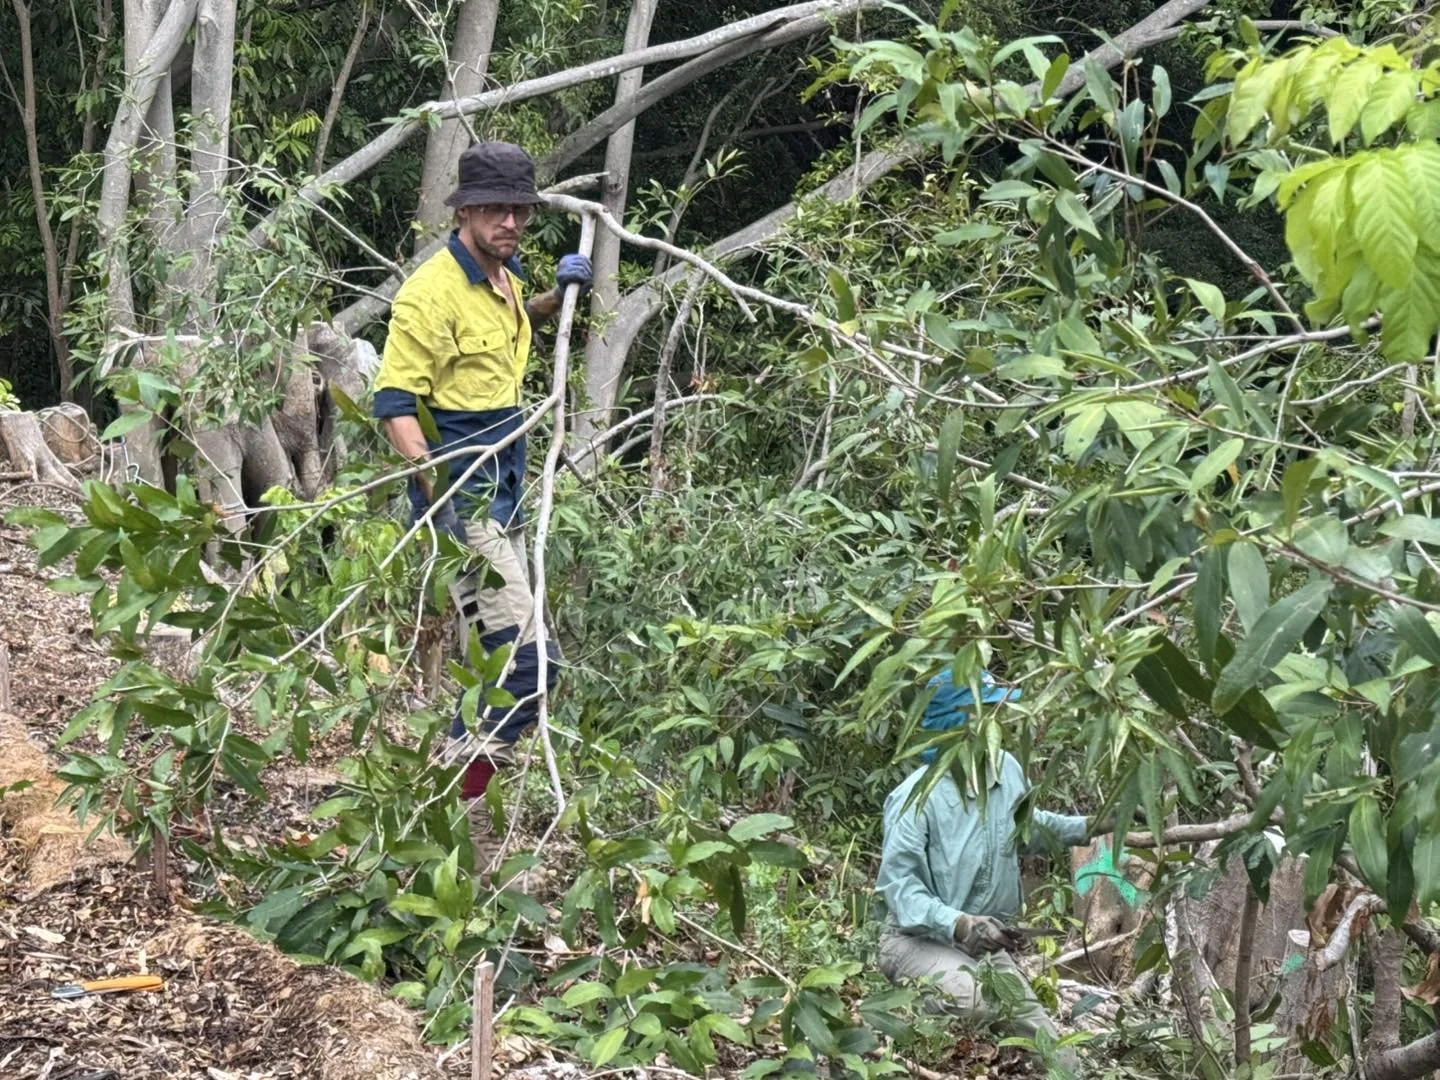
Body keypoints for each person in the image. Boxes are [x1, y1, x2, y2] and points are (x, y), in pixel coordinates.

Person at [370, 141, 592, 881]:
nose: (510, 221)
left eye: (518, 209)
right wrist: (447, 511)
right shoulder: (428, 291)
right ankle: (445, 795)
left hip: (507, 487)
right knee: (530, 665)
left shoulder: (502, 278)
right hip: (466, 499)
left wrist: (553, 303)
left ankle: (445, 817)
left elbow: (496, 339)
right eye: (495, 209)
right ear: (463, 211)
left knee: (493, 668)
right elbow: (397, 404)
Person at [875, 667, 1089, 1075]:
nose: (996, 723)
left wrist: (1092, 827)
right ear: (956, 722)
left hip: (985, 946)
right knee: (977, 1000)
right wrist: (957, 923)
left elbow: (1028, 829)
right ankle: (921, 1026)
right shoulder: (914, 799)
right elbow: (900, 890)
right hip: (914, 941)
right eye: (984, 712)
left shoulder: (1005, 769)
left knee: (1056, 1051)